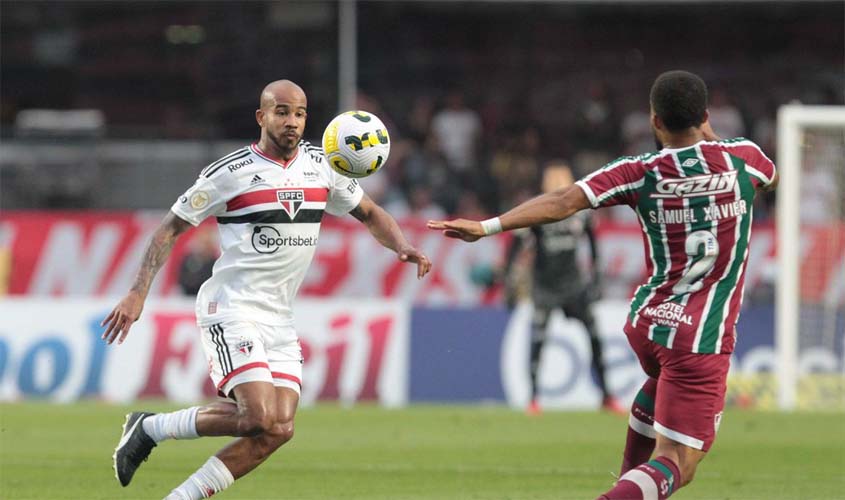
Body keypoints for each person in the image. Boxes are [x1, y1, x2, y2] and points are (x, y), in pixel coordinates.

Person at [428, 70, 778, 500]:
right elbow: (771, 177)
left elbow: (563, 201)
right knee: (678, 462)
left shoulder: (640, 170)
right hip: (699, 337)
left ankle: (625, 484)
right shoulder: (744, 157)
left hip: (649, 323)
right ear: (706, 115)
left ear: (654, 121)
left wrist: (487, 226)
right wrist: (711, 143)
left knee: (659, 388)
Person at [101, 79, 432, 500]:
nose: (292, 121)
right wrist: (137, 293)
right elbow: (169, 229)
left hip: (279, 316)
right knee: (256, 417)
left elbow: (369, 213)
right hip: (231, 307)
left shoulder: (323, 165)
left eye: (300, 113)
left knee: (279, 429)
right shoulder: (229, 173)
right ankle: (151, 427)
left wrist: (401, 245)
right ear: (262, 116)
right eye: (282, 112)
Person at [503, 162, 624, 416]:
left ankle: (607, 395)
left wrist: (596, 279)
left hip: (573, 285)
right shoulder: (538, 209)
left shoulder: (580, 212)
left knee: (594, 337)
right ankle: (533, 398)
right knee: (538, 340)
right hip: (545, 286)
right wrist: (510, 281)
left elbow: (593, 245)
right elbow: (516, 245)